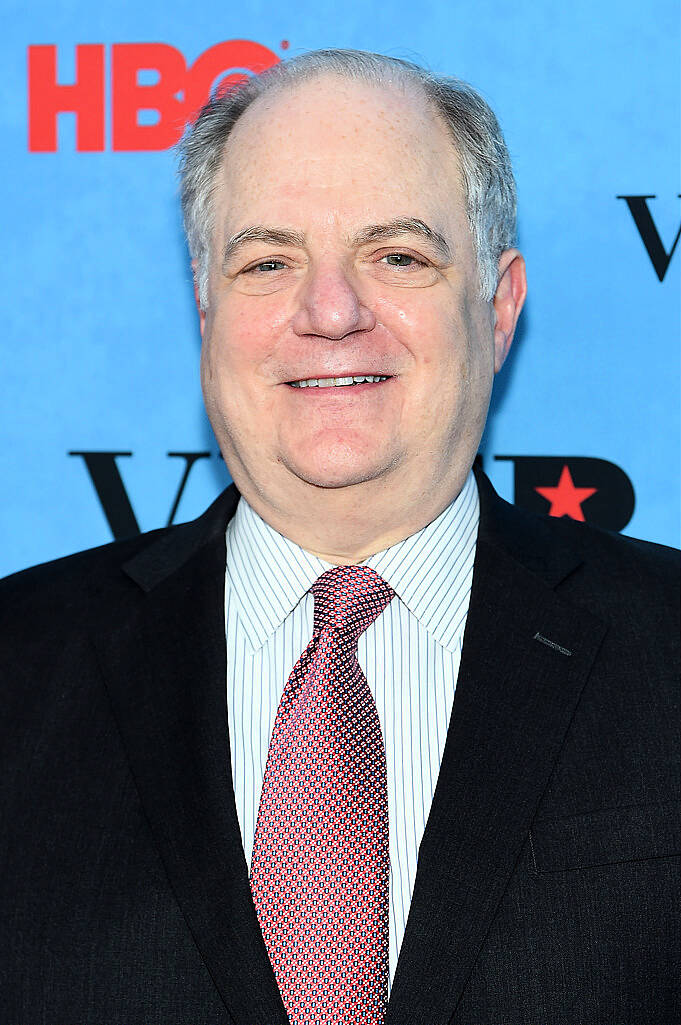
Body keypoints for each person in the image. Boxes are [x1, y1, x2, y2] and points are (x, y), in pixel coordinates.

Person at [0, 48, 678, 1025]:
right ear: (205, 303)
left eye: (397, 255)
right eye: (269, 261)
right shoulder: (20, 666)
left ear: (499, 306)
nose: (330, 312)